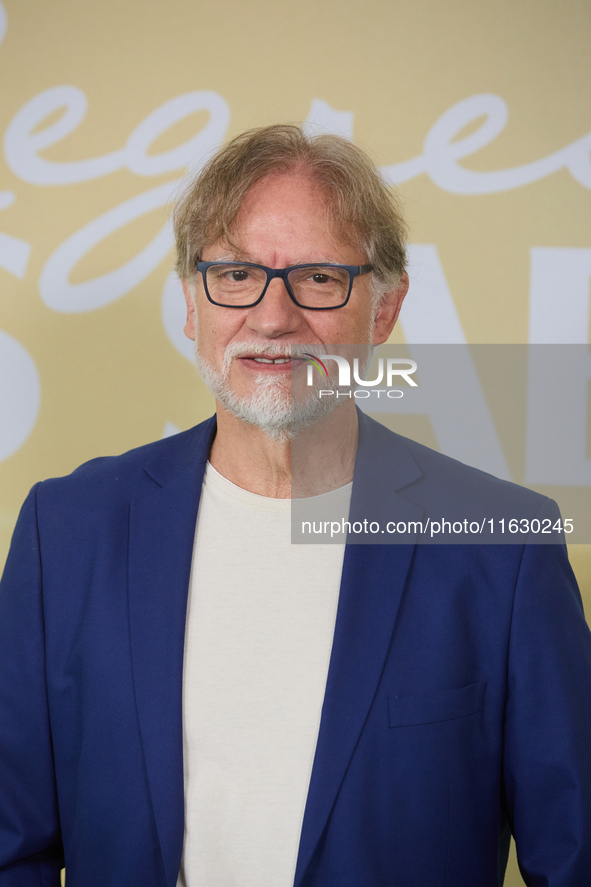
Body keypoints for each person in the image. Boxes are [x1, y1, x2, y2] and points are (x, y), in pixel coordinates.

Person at [1, 125, 590, 887]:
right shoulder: (67, 532)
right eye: (237, 274)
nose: (273, 318)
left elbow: (572, 860)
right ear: (192, 303)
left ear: (382, 310)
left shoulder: (503, 549)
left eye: (317, 278)